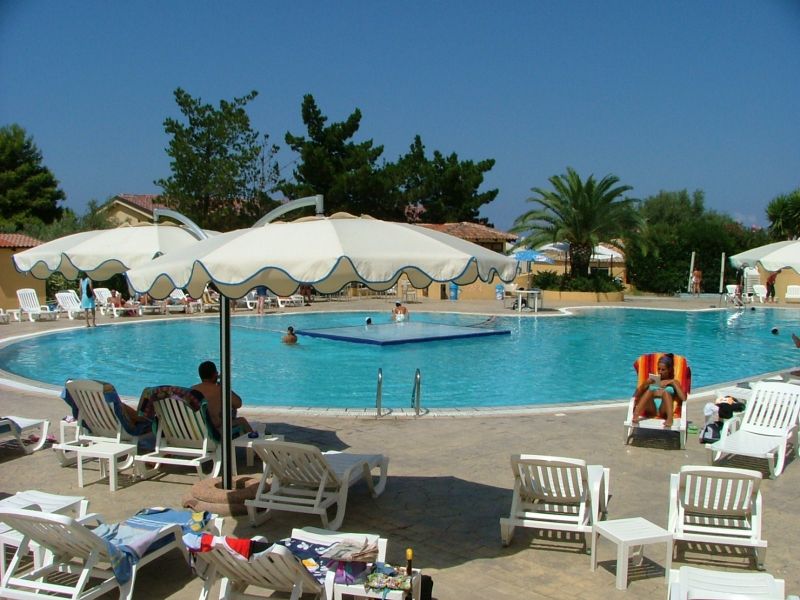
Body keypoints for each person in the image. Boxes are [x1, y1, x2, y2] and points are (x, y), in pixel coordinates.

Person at [191, 360, 256, 437]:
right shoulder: (219, 390)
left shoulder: (192, 390)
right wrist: (224, 385)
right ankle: (253, 439)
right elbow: (238, 403)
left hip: (197, 432)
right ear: (215, 374)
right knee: (242, 421)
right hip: (214, 433)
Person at [631, 353, 686, 429]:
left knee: (666, 392)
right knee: (650, 390)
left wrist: (672, 383)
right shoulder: (653, 380)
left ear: (669, 370)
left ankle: (670, 419)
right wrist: (645, 383)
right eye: (658, 369)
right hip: (651, 409)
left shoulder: (674, 382)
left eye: (663, 370)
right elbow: (636, 395)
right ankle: (636, 414)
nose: (660, 372)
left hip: (664, 410)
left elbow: (683, 398)